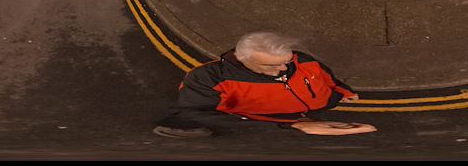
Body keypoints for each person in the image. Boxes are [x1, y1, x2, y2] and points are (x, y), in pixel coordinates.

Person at [153, 31, 376, 138]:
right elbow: (192, 116)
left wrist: (341, 91)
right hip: (282, 123)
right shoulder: (206, 78)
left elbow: (326, 77)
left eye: (286, 62)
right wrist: (292, 126)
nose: (284, 69)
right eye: (272, 66)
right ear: (242, 59)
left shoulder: (301, 60)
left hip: (315, 111)